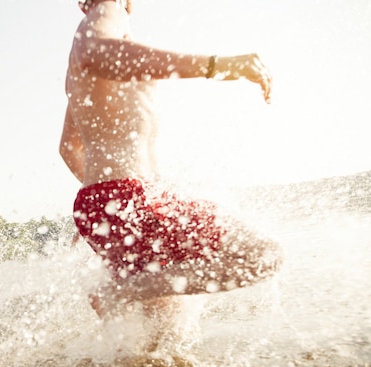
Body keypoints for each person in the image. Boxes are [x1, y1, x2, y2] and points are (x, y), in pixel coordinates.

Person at [60, 0, 283, 317]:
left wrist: (104, 206)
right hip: (130, 200)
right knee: (263, 255)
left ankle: (121, 293)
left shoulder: (78, 65)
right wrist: (215, 66)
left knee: (160, 345)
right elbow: (96, 54)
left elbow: (69, 145)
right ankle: (115, 292)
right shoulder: (109, 9)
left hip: (108, 204)